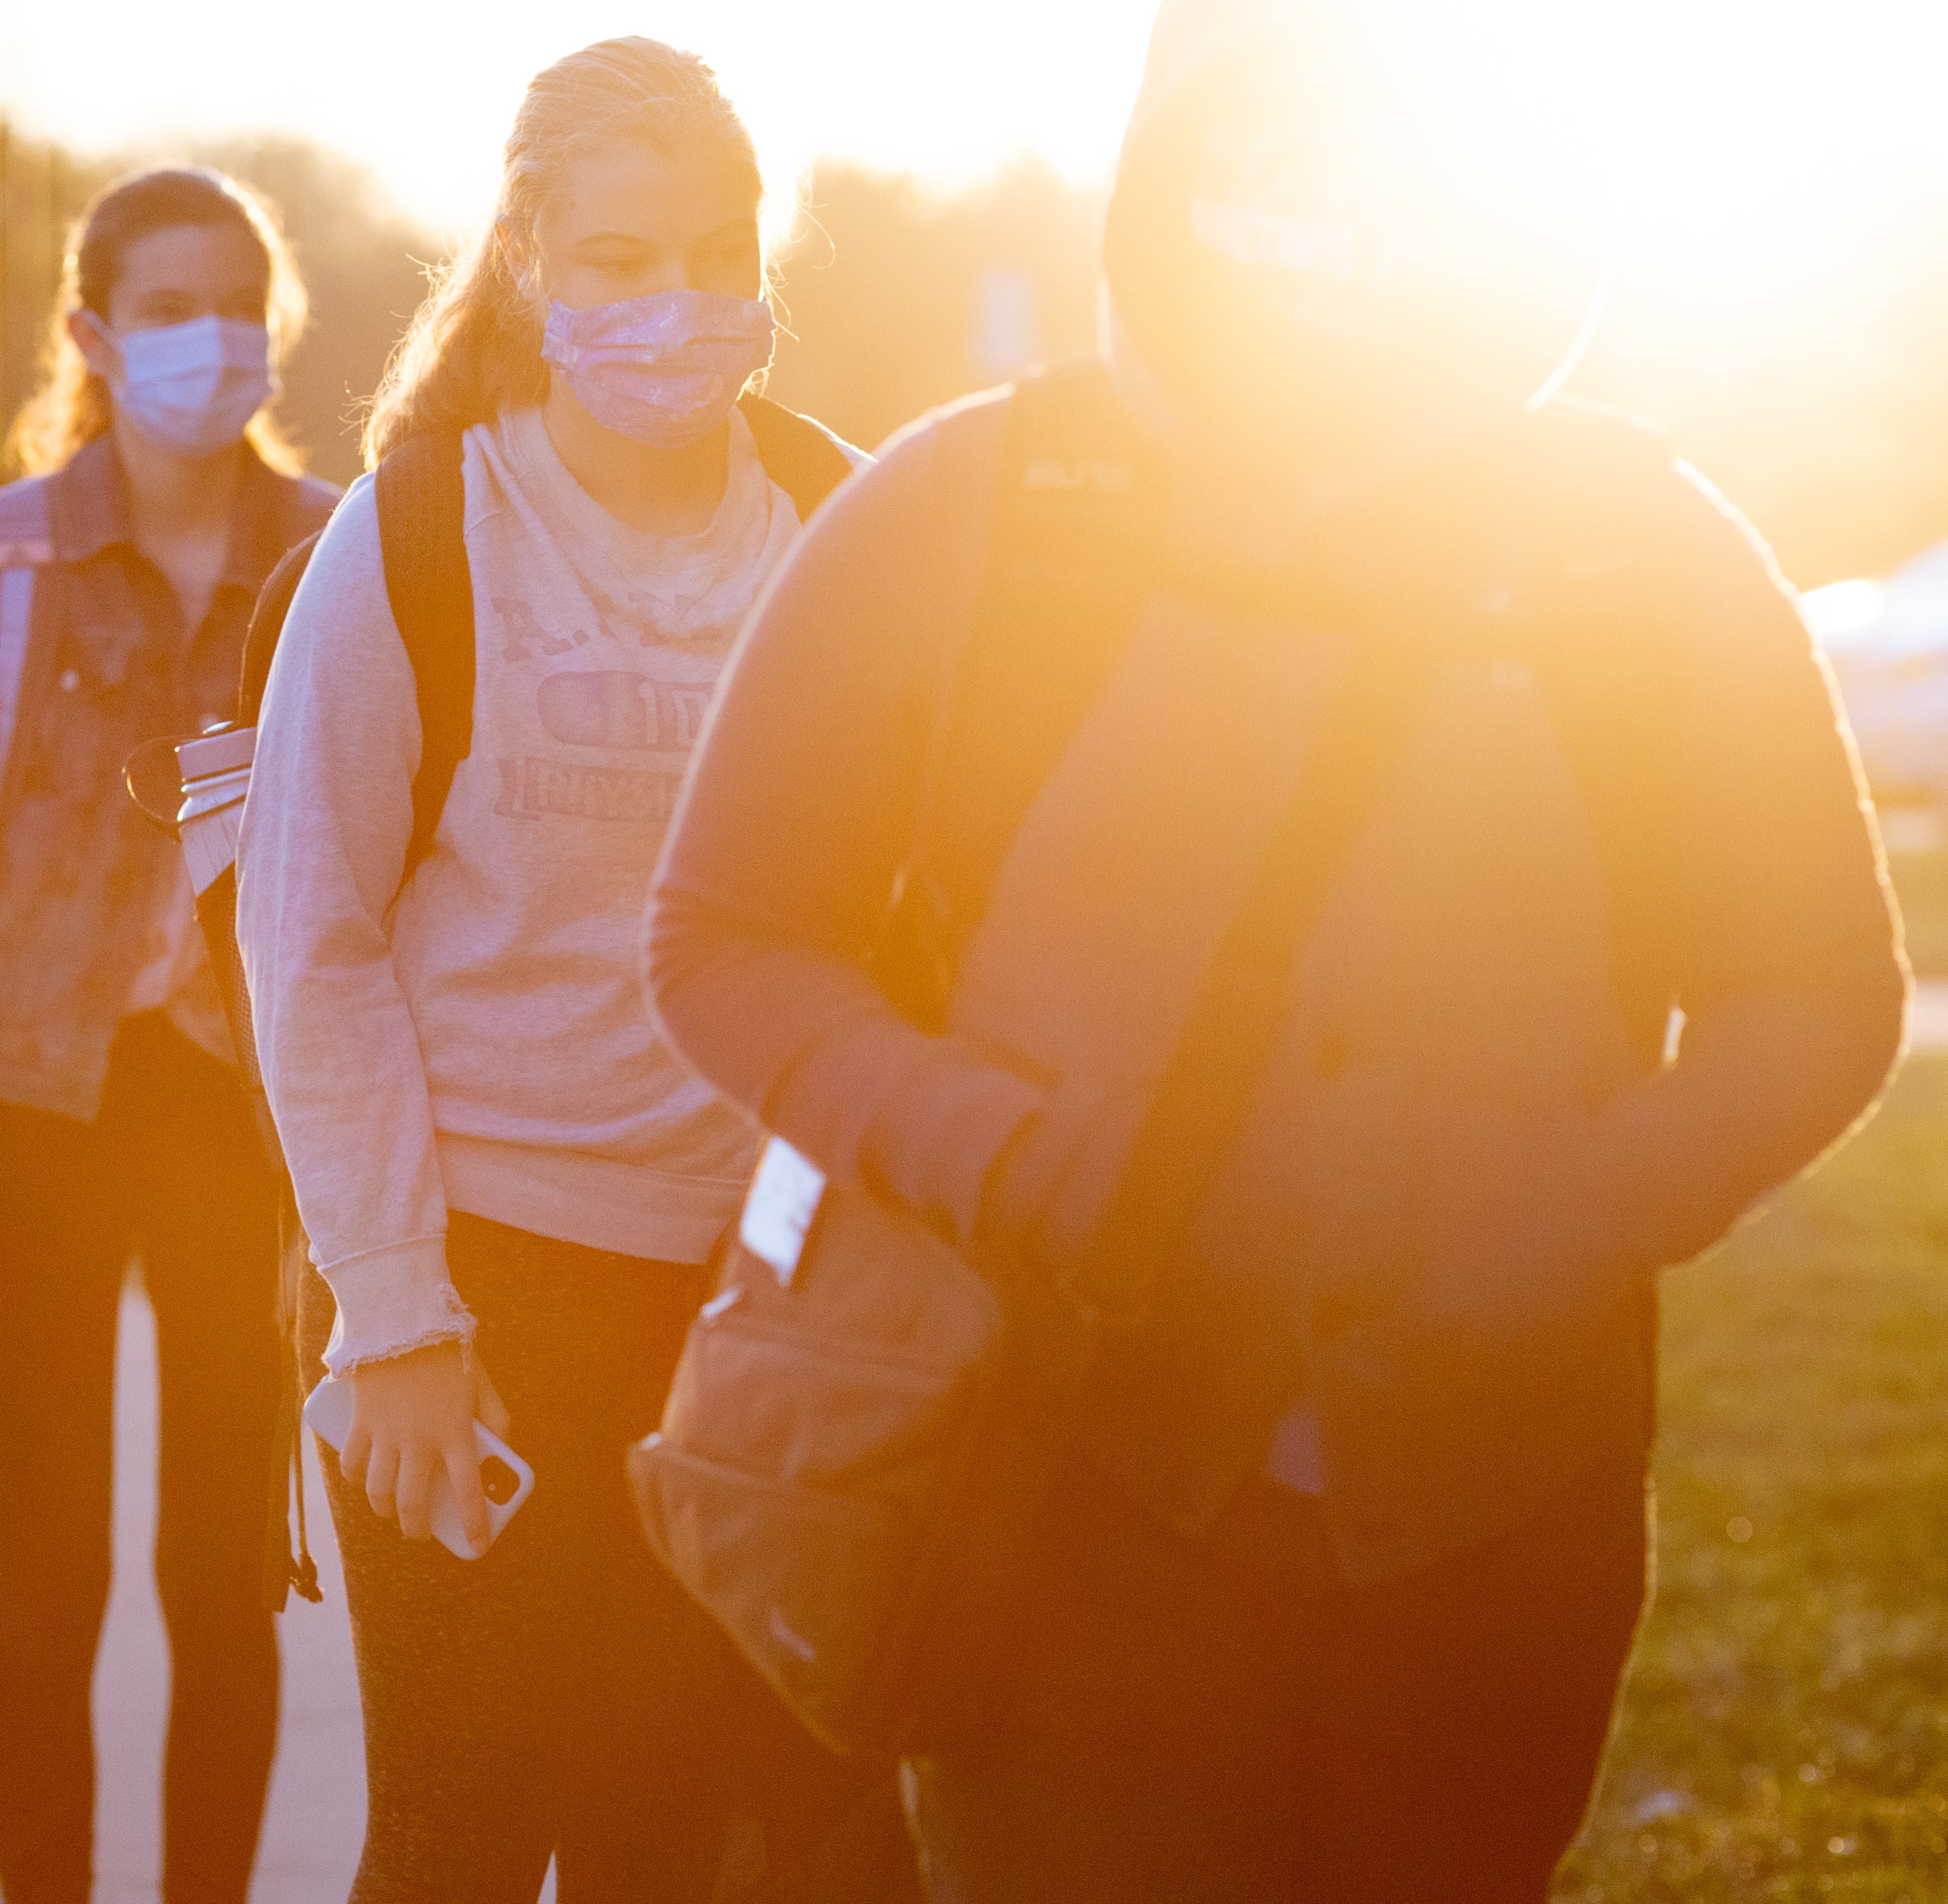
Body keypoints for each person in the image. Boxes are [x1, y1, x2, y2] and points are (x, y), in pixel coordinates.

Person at [644, 5, 1910, 1899]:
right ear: (1181, 152)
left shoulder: (1637, 556)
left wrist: (1578, 1203)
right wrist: (995, 1150)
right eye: (1280, 146)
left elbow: (1818, 993)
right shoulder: (978, 511)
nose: (1337, 205)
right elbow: (730, 934)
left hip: (1500, 1522)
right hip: (1056, 1496)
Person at [234, 40, 889, 1901]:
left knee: (677, 1848)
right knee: (456, 1840)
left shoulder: (844, 531)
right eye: (617, 259)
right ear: (527, 255)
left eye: (713, 250)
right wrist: (399, 1318)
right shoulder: (427, 533)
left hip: (758, 1312)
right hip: (486, 1297)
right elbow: (312, 939)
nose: (674, 303)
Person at [0, 166, 334, 1904]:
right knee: (45, 1570)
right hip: (32, 1105)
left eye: (235, 299)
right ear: (91, 332)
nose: (207, 335)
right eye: (164, 305)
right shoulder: (0, 559)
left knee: (225, 1575)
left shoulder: (338, 551)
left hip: (244, 1116)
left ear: (273, 323)